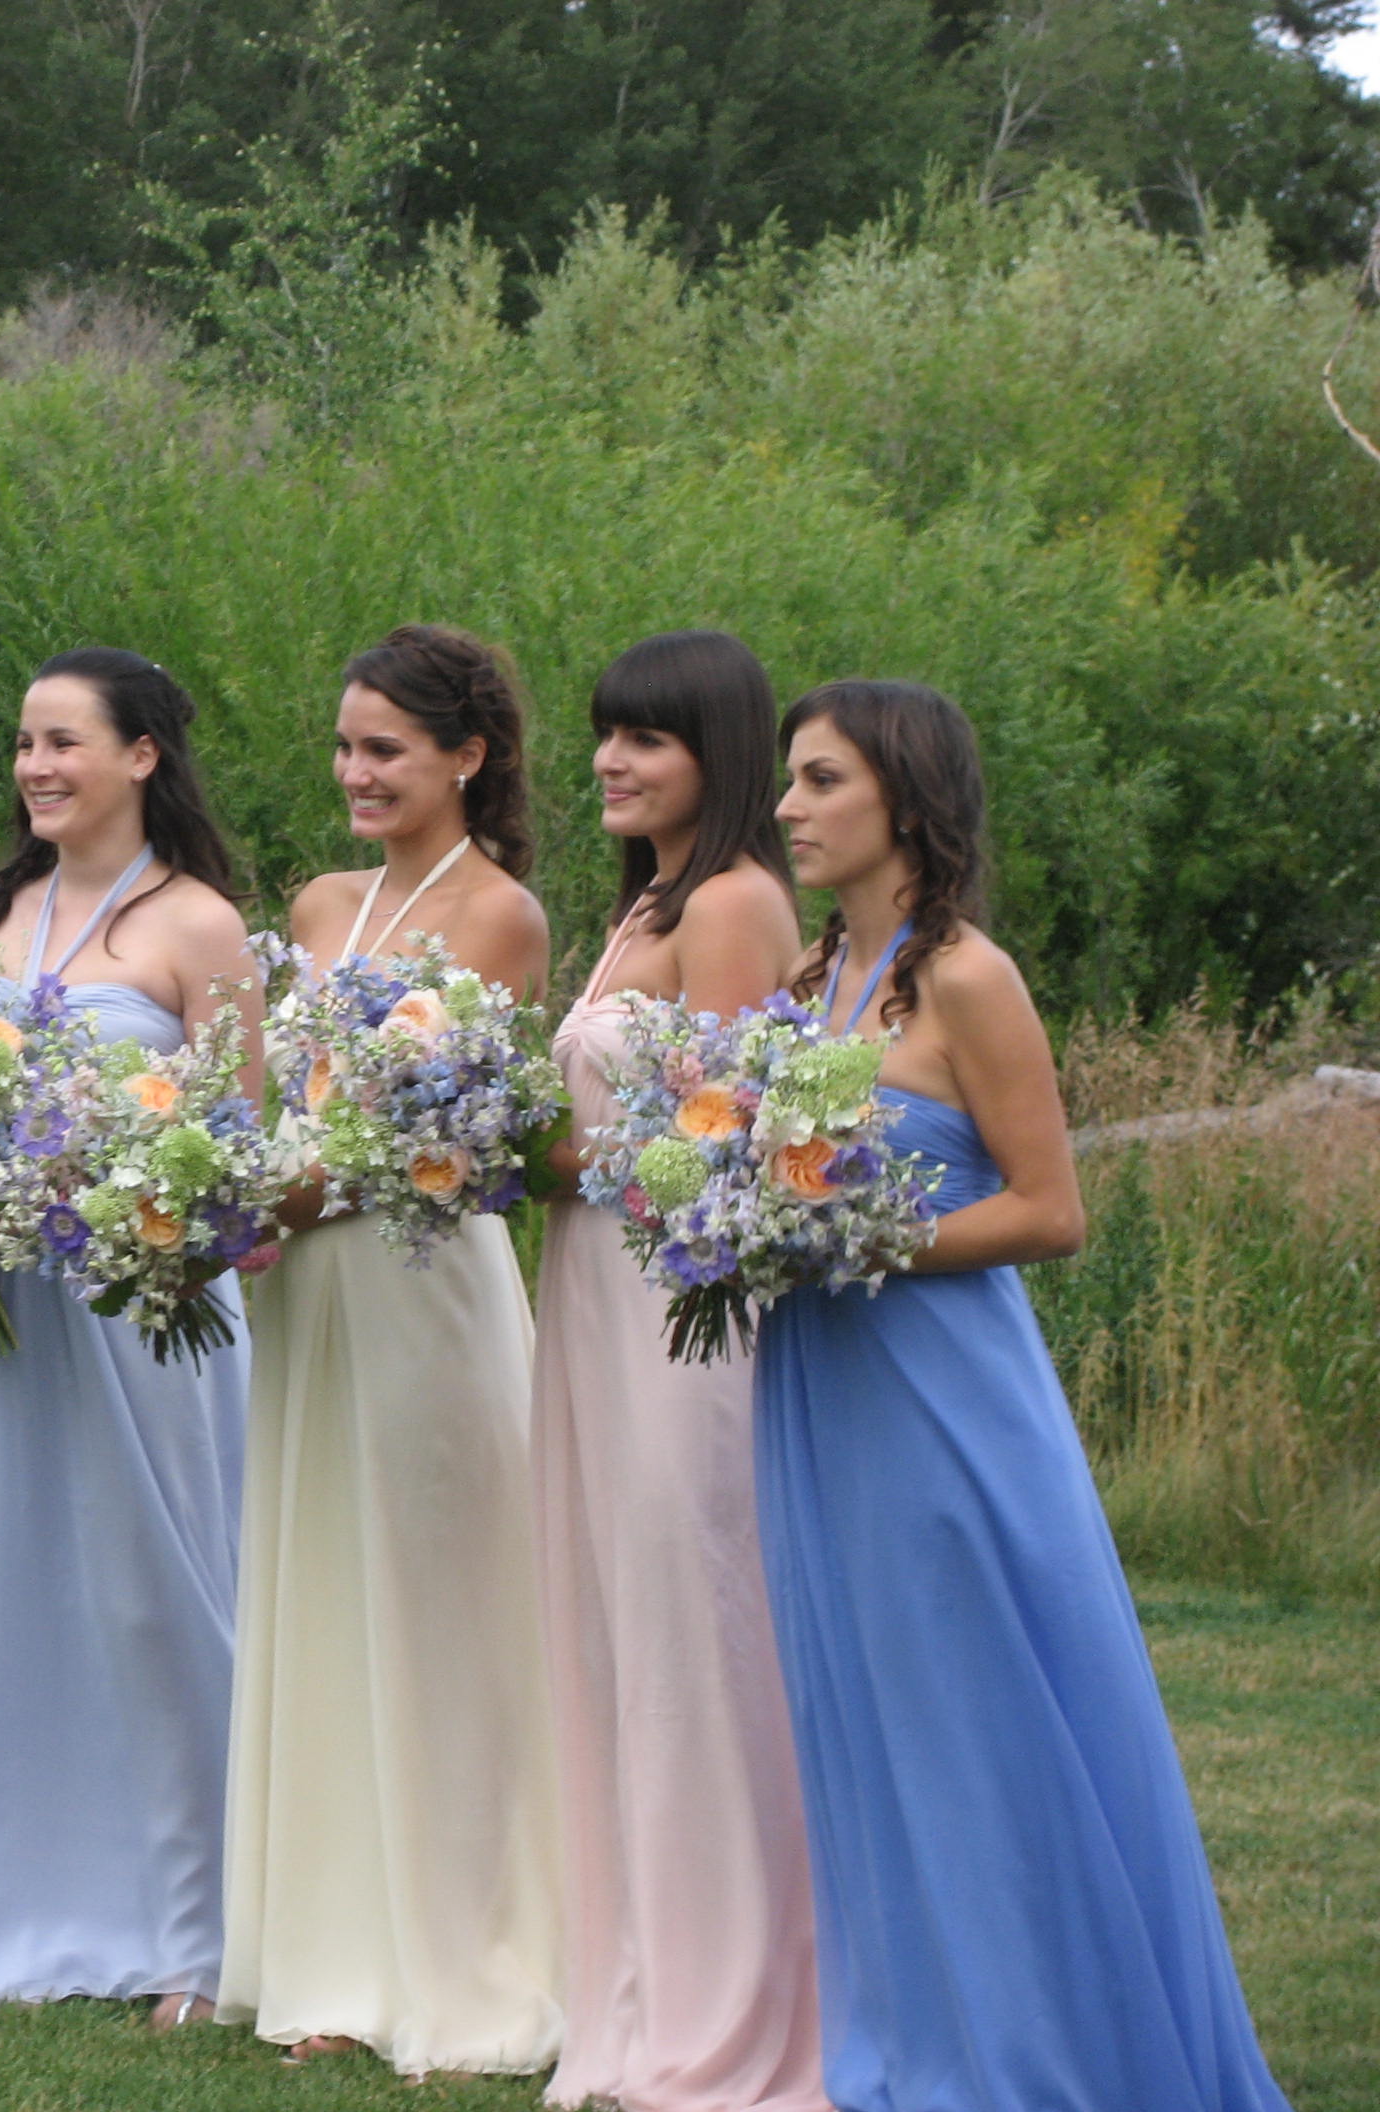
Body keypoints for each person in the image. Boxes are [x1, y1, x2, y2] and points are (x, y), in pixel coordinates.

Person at [761, 680, 1291, 2112]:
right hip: (818, 1386)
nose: (788, 807)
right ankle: (917, 2053)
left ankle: (1047, 2059)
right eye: (790, 779)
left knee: (983, 1719)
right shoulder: (809, 982)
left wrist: (854, 1238)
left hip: (943, 1395)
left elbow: (1051, 1211)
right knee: (869, 1718)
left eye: (820, 780)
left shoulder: (968, 978)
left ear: (906, 797)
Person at [215, 625, 564, 2079]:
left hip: (420, 1284)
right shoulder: (316, 904)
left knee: (436, 1607)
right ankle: (333, 1957)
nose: (355, 772)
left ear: (466, 756)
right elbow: (271, 1098)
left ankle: (460, 1959)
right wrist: (206, 1189)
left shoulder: (499, 914)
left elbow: (431, 1136)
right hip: (305, 1288)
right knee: (323, 1586)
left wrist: (253, 1201)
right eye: (346, 747)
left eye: (386, 750)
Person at [0, 647, 256, 2028]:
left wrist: (108, 1189)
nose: (37, 767)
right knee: (22, 1586)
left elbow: (238, 1151)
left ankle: (201, 1934)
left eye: (64, 741)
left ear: (141, 756)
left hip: (147, 1311)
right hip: (4, 1310)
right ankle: (41, 1906)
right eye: (24, 743)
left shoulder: (200, 926)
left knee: (154, 1594)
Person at [530, 630, 829, 2109]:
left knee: (696, 1631)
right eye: (604, 733)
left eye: (644, 737)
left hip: (679, 1309)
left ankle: (732, 2003)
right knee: (618, 1629)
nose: (609, 760)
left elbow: (715, 1145)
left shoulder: (731, 902)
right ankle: (643, 1978)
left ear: (718, 750)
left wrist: (532, 1147)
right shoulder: (645, 902)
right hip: (593, 1295)